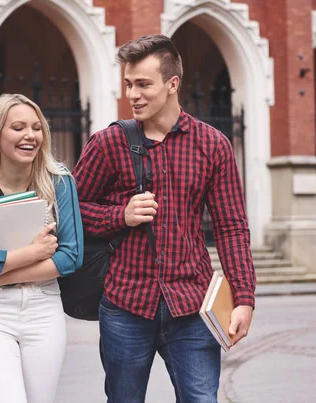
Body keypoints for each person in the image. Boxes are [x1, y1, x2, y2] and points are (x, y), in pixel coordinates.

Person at [72, 35, 256, 402]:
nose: (133, 95)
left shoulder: (212, 145)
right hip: (125, 303)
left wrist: (244, 297)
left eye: (143, 84)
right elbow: (70, 211)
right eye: (128, 84)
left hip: (192, 304)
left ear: (172, 84)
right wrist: (119, 215)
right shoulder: (108, 144)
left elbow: (231, 227)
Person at [0, 93, 83, 403]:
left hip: (43, 309)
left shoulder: (60, 182)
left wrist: (0, 275)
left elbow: (71, 256)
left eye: (37, 128)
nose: (30, 136)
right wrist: (31, 253)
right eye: (18, 127)